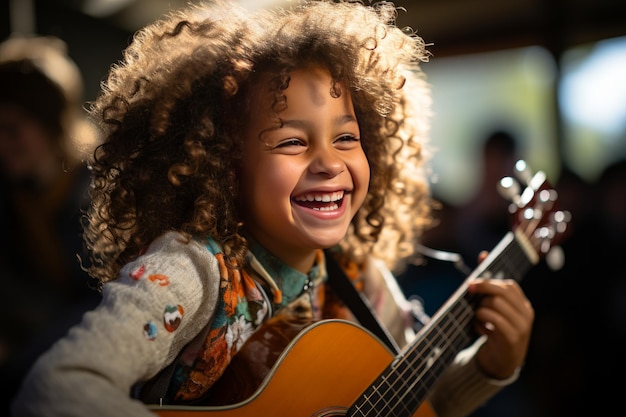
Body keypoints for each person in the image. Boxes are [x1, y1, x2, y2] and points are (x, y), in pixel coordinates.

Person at [11, 1, 534, 417]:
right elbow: (60, 385)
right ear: (224, 162)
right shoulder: (192, 270)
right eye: (291, 142)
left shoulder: (362, 279)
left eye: (347, 138)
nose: (329, 162)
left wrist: (488, 366)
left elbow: (412, 405)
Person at [0, 35, 101, 413]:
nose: (2, 143)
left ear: (52, 123)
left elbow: (102, 299)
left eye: (13, 129)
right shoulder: (13, 192)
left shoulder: (100, 187)